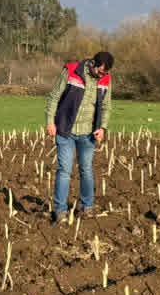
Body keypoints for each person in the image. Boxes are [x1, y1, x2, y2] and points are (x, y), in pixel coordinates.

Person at [45, 51, 114, 222]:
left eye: (105, 73)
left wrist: (102, 128)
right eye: (100, 71)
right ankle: (60, 211)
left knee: (86, 170)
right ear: (93, 64)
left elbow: (106, 106)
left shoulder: (105, 80)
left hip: (88, 134)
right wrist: (50, 122)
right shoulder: (71, 72)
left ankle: (87, 207)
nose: (102, 75)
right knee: (64, 171)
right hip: (65, 131)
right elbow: (54, 97)